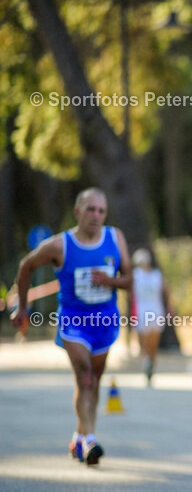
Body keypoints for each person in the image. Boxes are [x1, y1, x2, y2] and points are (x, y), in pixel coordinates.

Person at [11, 188, 132, 466]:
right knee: (85, 376)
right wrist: (23, 307)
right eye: (91, 209)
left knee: (96, 379)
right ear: (77, 211)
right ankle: (90, 440)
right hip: (74, 321)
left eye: (101, 211)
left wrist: (110, 282)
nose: (96, 216)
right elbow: (26, 265)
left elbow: (129, 279)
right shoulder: (60, 245)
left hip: (104, 321)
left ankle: (79, 436)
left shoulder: (115, 238)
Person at [130, 248, 171, 386]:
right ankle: (148, 363)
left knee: (150, 343)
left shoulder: (154, 275)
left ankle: (149, 363)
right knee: (148, 342)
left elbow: (166, 291)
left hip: (151, 311)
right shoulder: (138, 276)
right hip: (147, 311)